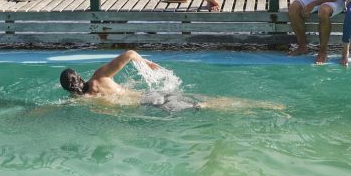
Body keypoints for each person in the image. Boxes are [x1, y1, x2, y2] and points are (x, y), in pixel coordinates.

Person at [59, 50, 284, 112]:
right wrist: (146, 63)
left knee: (202, 107)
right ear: (79, 76)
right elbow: (129, 53)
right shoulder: (100, 76)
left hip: (148, 105)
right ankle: (260, 106)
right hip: (152, 96)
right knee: (206, 101)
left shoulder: (84, 101)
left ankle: (251, 109)